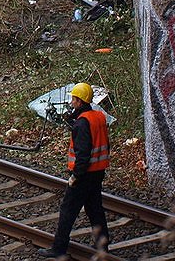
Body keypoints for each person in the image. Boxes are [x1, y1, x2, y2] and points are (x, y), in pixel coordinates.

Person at [38, 82, 111, 258]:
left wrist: (76, 176)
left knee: (68, 211)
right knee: (95, 210)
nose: (71, 102)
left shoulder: (82, 123)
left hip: (84, 175)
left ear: (79, 100)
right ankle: (103, 246)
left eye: (73, 99)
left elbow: (83, 154)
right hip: (98, 172)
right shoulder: (98, 117)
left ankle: (58, 248)